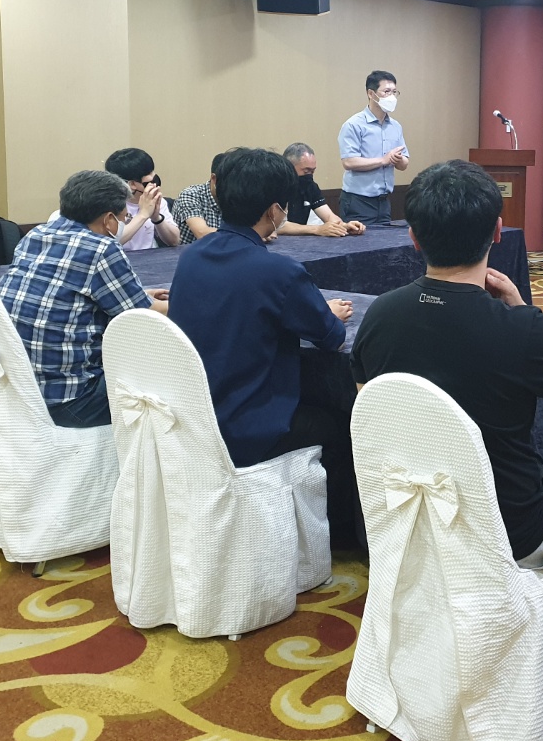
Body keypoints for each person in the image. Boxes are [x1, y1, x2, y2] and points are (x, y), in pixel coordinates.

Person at [352, 159, 543, 572]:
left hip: (412, 517)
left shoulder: (379, 315)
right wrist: (525, 311)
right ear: (497, 232)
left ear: (413, 237)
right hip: (514, 526)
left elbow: (371, 410)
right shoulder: (520, 327)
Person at [168, 148, 361, 543]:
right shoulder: (279, 271)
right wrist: (327, 312)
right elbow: (331, 336)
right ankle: (334, 540)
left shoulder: (192, 257)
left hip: (193, 419)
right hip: (248, 426)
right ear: (275, 211)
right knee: (342, 425)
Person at [0, 170, 169, 427]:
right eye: (125, 217)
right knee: (169, 382)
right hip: (73, 400)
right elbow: (147, 313)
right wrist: (196, 299)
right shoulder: (101, 248)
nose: (125, 223)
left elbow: (69, 292)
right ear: (109, 220)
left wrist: (140, 294)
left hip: (20, 389)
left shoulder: (36, 235)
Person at [338, 70, 409, 226]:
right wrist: (383, 160)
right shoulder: (354, 125)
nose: (391, 97)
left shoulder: (395, 126)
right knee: (359, 239)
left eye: (394, 92)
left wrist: (398, 159)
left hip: (384, 201)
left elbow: (404, 164)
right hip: (358, 200)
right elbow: (349, 162)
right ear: (371, 94)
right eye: (386, 92)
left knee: (384, 241)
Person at [277, 143, 366, 237]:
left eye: (312, 171)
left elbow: (328, 216)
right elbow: (278, 225)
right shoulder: (275, 187)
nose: (309, 175)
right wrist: (317, 229)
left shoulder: (310, 187)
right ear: (289, 168)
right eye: (306, 171)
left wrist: (344, 226)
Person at [104, 148, 179, 249]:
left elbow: (174, 241)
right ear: (132, 184)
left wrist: (157, 218)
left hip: (150, 255)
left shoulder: (155, 199)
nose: (153, 176)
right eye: (148, 173)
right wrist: (143, 214)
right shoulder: (107, 204)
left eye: (152, 171)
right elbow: (109, 244)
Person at [172, 151, 228, 244]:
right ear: (214, 179)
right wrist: (241, 236)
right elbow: (201, 233)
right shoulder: (191, 194)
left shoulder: (237, 197)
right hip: (189, 251)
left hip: (224, 250)